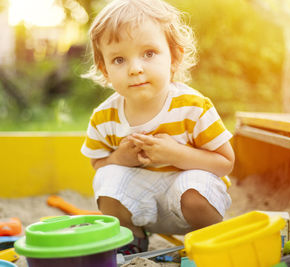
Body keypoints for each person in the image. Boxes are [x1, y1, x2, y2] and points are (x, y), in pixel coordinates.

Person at [81, 0, 235, 254]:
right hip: (141, 206)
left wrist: (176, 154)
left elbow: (225, 162)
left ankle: (211, 239)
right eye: (119, 59)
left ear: (174, 57)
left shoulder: (193, 107)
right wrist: (121, 157)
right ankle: (132, 238)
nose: (135, 69)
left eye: (149, 53)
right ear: (105, 70)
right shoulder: (103, 117)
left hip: (192, 201)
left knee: (194, 186)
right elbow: (98, 165)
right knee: (105, 177)